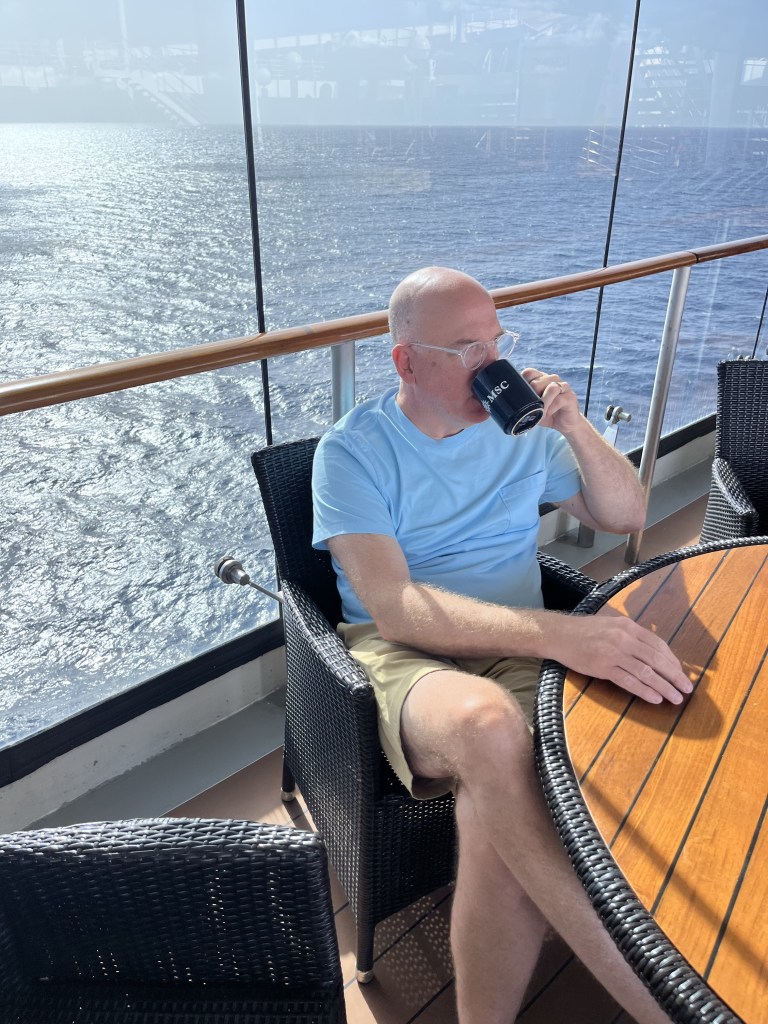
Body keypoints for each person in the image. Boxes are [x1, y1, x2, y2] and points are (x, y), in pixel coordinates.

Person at [312, 266, 691, 1024]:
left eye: (495, 342)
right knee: (488, 727)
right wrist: (564, 634)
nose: (491, 364)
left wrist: (574, 428)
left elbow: (626, 514)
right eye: (466, 349)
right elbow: (396, 609)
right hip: (403, 655)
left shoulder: (524, 434)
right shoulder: (352, 453)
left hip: (513, 643)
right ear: (406, 361)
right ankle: (660, 998)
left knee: (500, 816)